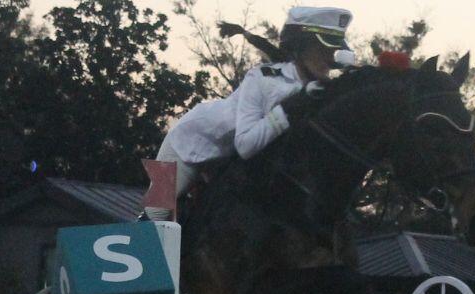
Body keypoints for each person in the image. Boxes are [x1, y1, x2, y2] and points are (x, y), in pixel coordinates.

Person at [144, 7, 354, 221]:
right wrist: (288, 109)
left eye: (333, 52)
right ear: (301, 48)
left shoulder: (314, 92)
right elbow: (245, 145)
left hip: (226, 159)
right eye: (323, 50)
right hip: (190, 142)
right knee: (156, 213)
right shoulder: (262, 79)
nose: (330, 60)